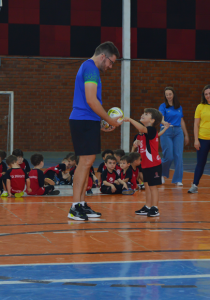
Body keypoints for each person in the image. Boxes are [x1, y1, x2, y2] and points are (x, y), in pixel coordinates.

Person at [68, 41, 121, 221]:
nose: (111, 66)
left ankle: (81, 204)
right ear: (103, 56)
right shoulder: (91, 68)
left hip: (87, 120)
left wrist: (99, 123)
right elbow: (91, 100)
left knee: (88, 161)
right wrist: (108, 119)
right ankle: (75, 206)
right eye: (111, 62)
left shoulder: (90, 68)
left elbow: (89, 102)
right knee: (84, 162)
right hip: (82, 119)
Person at [124, 108, 163, 217]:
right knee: (147, 186)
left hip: (154, 164)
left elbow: (141, 127)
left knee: (153, 187)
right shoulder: (141, 134)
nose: (143, 114)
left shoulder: (151, 130)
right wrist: (136, 144)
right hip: (144, 165)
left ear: (152, 120)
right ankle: (148, 206)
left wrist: (130, 120)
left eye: (146, 114)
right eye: (144, 113)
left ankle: (155, 208)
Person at [159, 87, 189, 186]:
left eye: (170, 94)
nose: (168, 96)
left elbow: (182, 121)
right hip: (166, 131)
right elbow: (161, 119)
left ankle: (178, 179)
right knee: (168, 156)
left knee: (178, 156)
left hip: (178, 132)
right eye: (166, 94)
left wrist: (186, 135)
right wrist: (165, 123)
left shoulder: (178, 107)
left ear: (173, 95)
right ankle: (162, 174)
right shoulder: (163, 106)